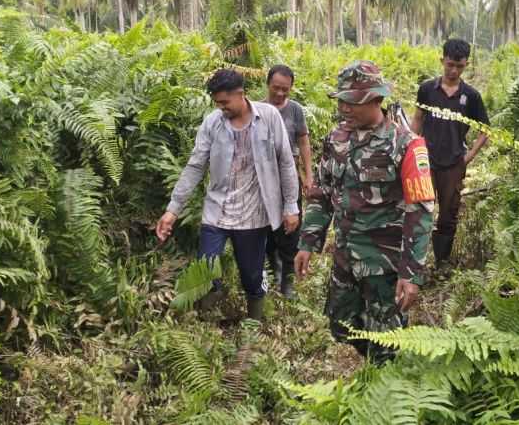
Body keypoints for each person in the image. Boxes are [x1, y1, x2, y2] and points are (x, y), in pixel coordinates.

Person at [294, 61, 435, 363]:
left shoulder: (406, 144)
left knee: (388, 341)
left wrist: (411, 274)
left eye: (353, 101)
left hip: (383, 265)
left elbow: (420, 212)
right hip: (345, 257)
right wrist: (308, 241)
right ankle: (371, 364)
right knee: (341, 325)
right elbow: (321, 192)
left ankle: (384, 390)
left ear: (376, 99)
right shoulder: (336, 139)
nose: (345, 108)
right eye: (341, 99)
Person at [155, 68, 299, 320]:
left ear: (241, 94)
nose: (221, 107)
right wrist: (172, 210)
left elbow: (286, 163)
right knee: (206, 269)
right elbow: (195, 165)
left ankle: (253, 325)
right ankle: (207, 325)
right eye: (217, 103)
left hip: (253, 215)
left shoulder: (269, 117)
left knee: (252, 275)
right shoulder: (212, 123)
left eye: (224, 102)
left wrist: (291, 207)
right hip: (217, 212)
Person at [411, 38, 489, 268]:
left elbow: (485, 130)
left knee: (448, 215)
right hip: (425, 162)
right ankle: (416, 262)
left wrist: (469, 156)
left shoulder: (471, 96)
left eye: (460, 66)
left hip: (454, 164)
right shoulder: (427, 89)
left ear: (466, 65)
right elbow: (417, 118)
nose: (454, 70)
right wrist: (411, 148)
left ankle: (440, 264)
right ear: (442, 60)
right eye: (450, 64)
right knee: (420, 212)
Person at [262, 65, 314, 299]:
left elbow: (303, 142)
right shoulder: (257, 109)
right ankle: (276, 270)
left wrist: (308, 174)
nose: (280, 94)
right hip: (263, 176)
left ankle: (288, 283)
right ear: (267, 85)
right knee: (266, 226)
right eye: (276, 88)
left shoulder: (295, 110)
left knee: (291, 225)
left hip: (289, 174)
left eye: (286, 89)